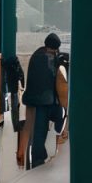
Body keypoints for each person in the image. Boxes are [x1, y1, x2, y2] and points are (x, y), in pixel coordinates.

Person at [22, 32, 62, 170]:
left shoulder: (37, 54)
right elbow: (54, 77)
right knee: (41, 130)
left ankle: (38, 157)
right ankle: (39, 158)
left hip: (36, 100)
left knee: (38, 131)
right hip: (43, 101)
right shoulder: (47, 58)